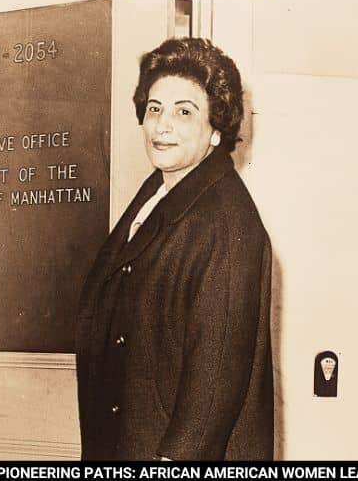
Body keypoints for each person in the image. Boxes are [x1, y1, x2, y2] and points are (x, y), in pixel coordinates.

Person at [75, 38, 273, 461]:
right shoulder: (159, 193)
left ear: (217, 128)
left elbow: (215, 382)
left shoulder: (226, 222)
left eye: (185, 111)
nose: (162, 125)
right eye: (154, 108)